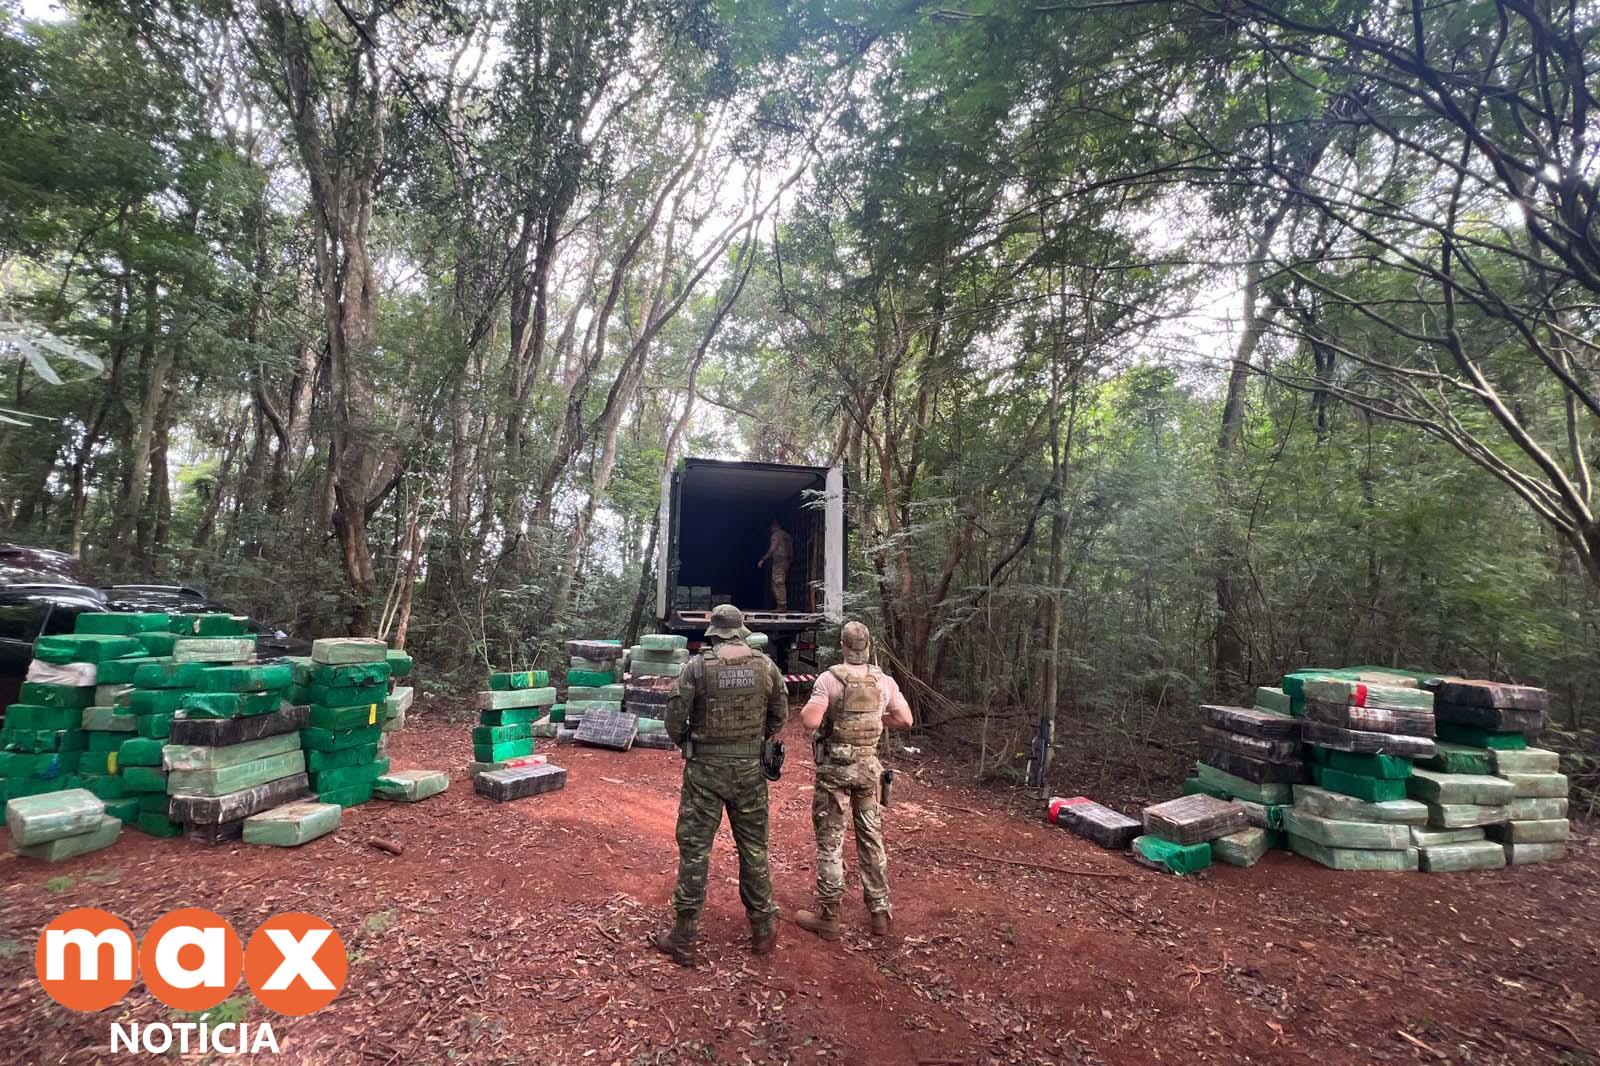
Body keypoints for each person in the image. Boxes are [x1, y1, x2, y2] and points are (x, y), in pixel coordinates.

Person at [653, 603, 788, 966]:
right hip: (749, 772)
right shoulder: (766, 667)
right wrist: (753, 740)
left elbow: (673, 720)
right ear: (741, 629)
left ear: (714, 631)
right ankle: (762, 929)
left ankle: (684, 938)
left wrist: (691, 744)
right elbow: (780, 715)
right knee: (754, 849)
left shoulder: (696, 667)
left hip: (705, 771)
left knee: (695, 851)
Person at [795, 620, 913, 939]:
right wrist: (876, 719)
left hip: (835, 771)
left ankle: (829, 916)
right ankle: (879, 914)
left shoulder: (830, 679)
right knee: (871, 839)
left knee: (831, 841)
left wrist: (834, 714)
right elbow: (905, 718)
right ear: (869, 647)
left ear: (843, 646)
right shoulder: (883, 680)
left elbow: (809, 720)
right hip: (868, 772)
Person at [757, 519, 793, 610]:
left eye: (772, 527)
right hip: (786, 561)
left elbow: (773, 548)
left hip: (779, 560)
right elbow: (791, 549)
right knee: (780, 582)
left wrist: (763, 559)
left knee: (777, 583)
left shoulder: (776, 535)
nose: (771, 529)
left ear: (775, 526)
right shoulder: (787, 535)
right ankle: (781, 605)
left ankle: (782, 606)